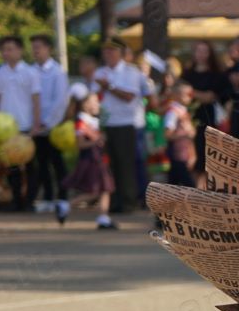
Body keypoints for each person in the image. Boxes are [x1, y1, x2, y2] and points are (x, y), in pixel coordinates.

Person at [96, 38, 153, 218]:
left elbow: (129, 96)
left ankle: (128, 201)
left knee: (126, 164)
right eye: (106, 51)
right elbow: (94, 95)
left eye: (112, 51)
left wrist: (109, 86)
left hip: (126, 123)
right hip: (107, 123)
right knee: (110, 165)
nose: (108, 54)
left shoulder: (131, 72)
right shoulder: (100, 72)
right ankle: (114, 201)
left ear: (120, 53)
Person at [0, 35, 42, 211]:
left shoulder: (30, 72)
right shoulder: (0, 72)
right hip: (6, 128)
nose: (6, 53)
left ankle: (29, 201)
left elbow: (36, 100)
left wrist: (36, 124)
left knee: (29, 165)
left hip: (25, 125)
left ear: (20, 51)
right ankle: (16, 200)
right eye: (4, 50)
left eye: (10, 49)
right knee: (11, 166)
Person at [28, 35, 69, 221]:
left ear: (48, 49)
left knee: (57, 163)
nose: (35, 51)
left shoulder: (57, 72)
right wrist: (35, 123)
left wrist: (48, 122)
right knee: (41, 162)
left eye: (39, 47)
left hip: (53, 125)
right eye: (33, 47)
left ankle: (62, 196)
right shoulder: (30, 71)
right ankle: (47, 196)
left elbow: (60, 100)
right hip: (35, 125)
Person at [63, 91, 115, 229]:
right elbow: (80, 144)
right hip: (91, 160)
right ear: (85, 105)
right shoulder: (82, 122)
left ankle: (103, 218)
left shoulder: (92, 121)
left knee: (105, 188)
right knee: (97, 191)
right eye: (95, 101)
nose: (98, 104)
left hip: (98, 158)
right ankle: (67, 205)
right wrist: (96, 140)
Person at [181, 40, 228, 178]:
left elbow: (210, 97)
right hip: (189, 120)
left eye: (204, 51)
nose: (201, 54)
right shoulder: (187, 73)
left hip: (208, 120)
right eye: (198, 51)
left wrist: (191, 92)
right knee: (191, 158)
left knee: (207, 158)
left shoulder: (216, 74)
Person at [161, 81, 197, 186]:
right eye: (187, 95)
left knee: (174, 183)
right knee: (188, 184)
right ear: (176, 96)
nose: (190, 97)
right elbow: (167, 134)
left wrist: (192, 154)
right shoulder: (173, 112)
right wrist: (184, 134)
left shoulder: (183, 110)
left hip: (184, 154)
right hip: (176, 154)